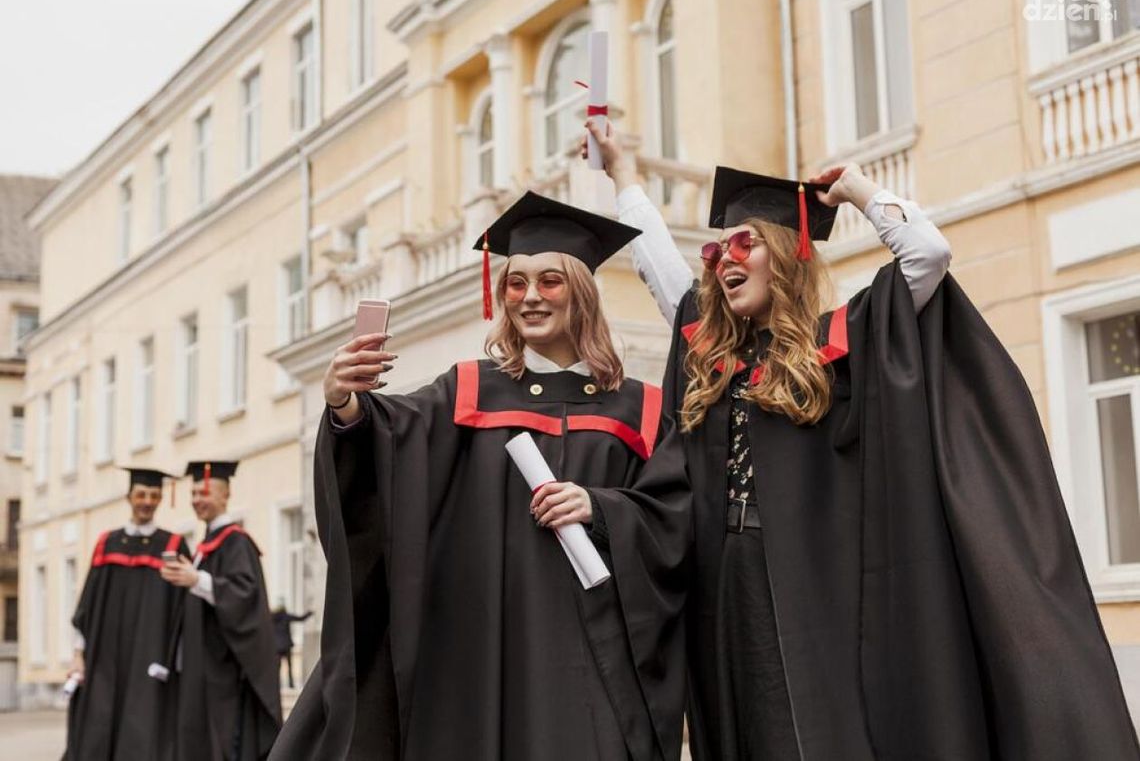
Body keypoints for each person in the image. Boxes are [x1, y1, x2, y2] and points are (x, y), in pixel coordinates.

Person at [587, 120, 1140, 760]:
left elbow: (927, 255)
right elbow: (663, 274)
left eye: (743, 244)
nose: (724, 261)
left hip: (820, 583)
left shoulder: (840, 345)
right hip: (727, 578)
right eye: (715, 254)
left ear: (789, 252)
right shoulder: (712, 360)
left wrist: (858, 191)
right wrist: (622, 173)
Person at [272, 192, 691, 761]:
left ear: (582, 292)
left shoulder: (639, 408)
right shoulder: (466, 391)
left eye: (550, 281)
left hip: (593, 655)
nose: (530, 298)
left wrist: (602, 509)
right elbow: (385, 445)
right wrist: (344, 404)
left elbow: (675, 518)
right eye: (516, 284)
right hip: (480, 652)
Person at [64, 467, 190, 760]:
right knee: (98, 726)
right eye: (141, 494)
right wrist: (78, 655)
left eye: (154, 495)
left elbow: (181, 612)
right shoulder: (106, 544)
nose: (147, 501)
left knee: (142, 730)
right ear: (129, 497)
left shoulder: (172, 546)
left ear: (160, 499)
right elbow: (87, 605)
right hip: (104, 659)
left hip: (149, 658)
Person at [160, 461, 281, 760]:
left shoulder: (235, 542)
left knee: (224, 741)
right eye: (193, 494)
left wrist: (196, 580)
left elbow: (244, 594)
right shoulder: (205, 545)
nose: (197, 500)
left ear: (225, 494)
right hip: (202, 666)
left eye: (205, 493)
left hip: (223, 669)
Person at [270, 601, 312, 688]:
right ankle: (291, 684)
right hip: (286, 645)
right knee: (289, 665)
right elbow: (300, 618)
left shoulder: (271, 618)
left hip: (277, 647)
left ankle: (277, 684)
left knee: (277, 667)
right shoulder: (286, 616)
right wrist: (309, 613)